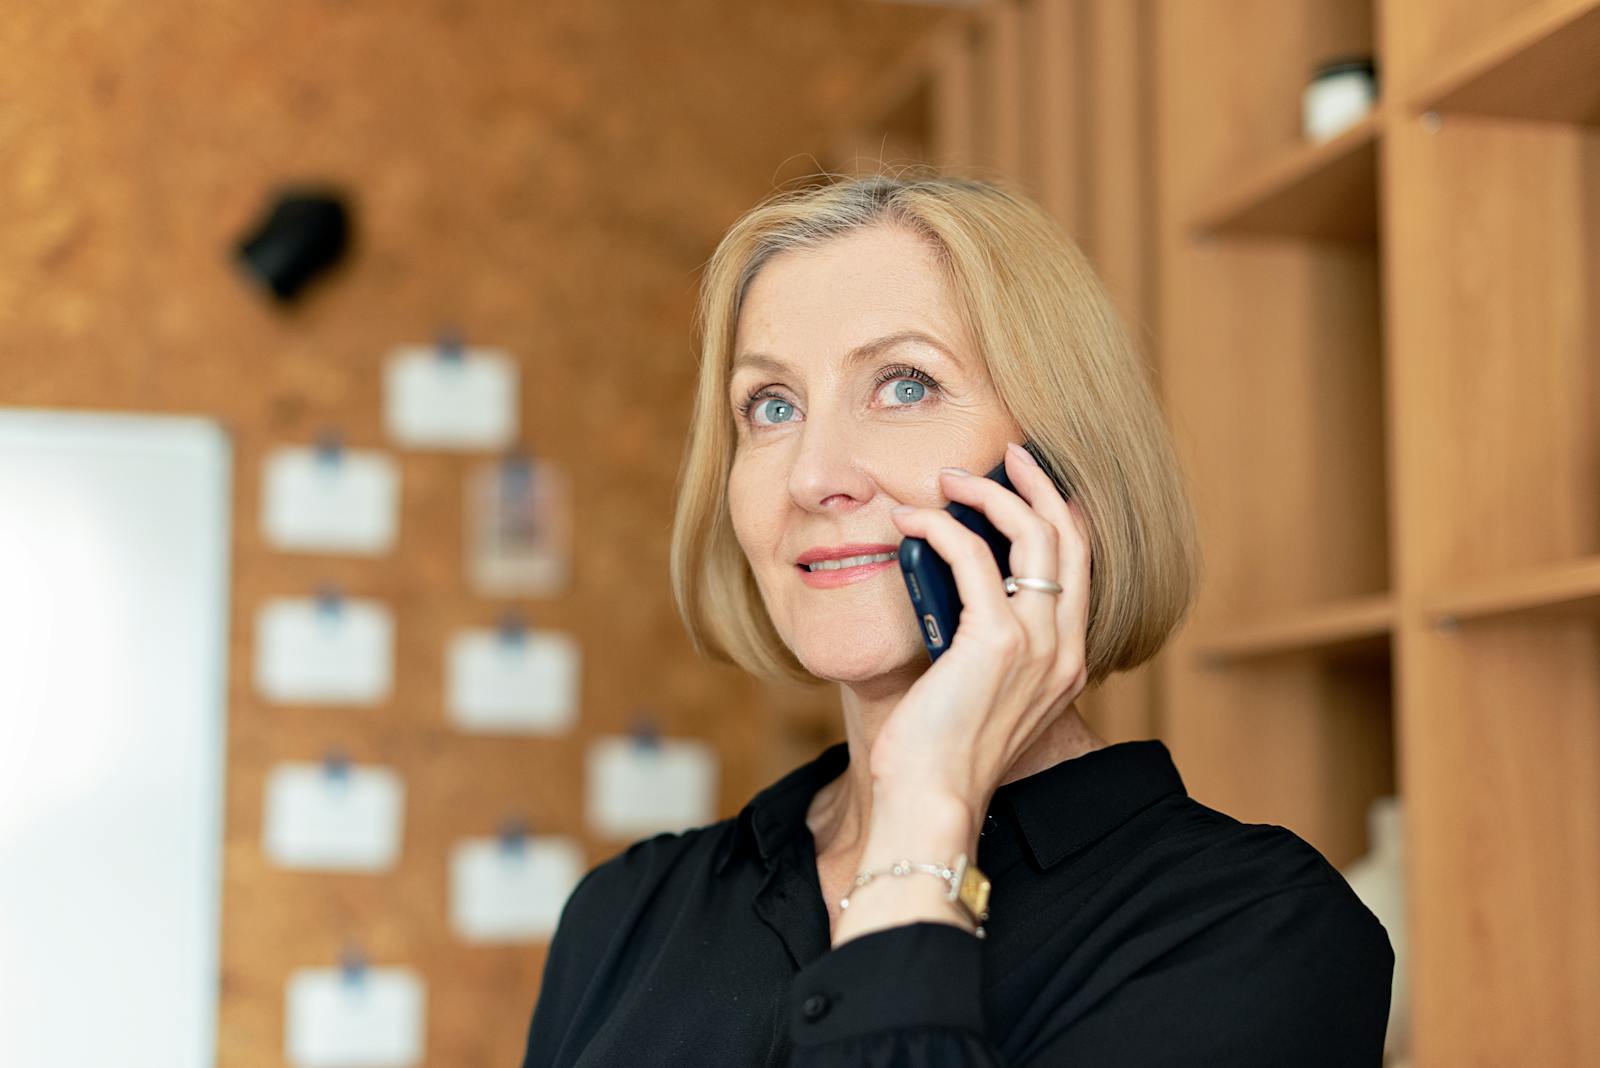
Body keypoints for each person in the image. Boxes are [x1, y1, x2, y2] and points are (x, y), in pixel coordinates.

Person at [519, 169, 1394, 1066]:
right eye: (771, 407)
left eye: (905, 386)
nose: (814, 475)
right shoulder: (628, 912)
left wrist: (923, 814)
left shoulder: (1251, 931)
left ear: (1058, 475)